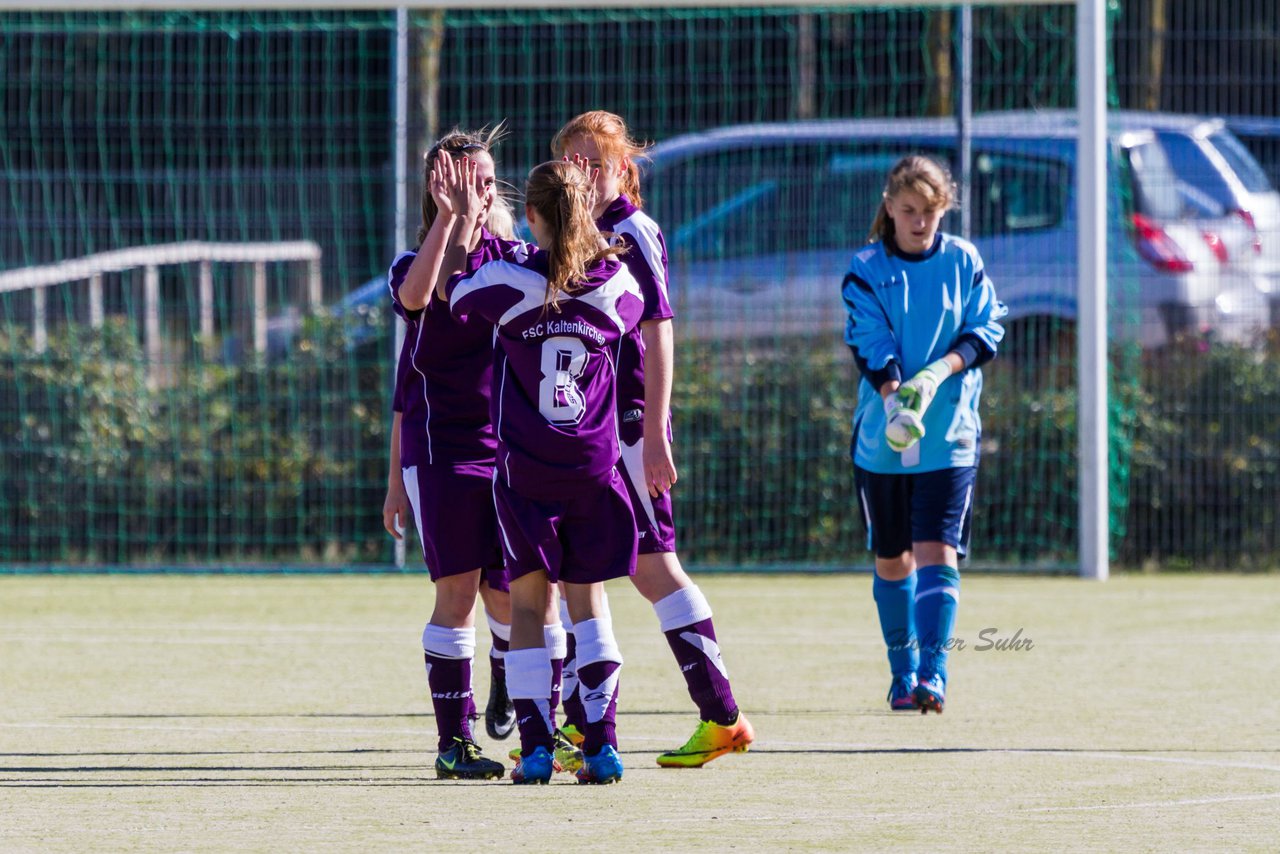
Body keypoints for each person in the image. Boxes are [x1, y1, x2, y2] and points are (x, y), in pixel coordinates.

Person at [551, 111, 754, 767]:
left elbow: (659, 330)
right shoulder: (576, 232)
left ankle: (722, 715)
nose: (583, 173)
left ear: (623, 169)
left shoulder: (632, 231)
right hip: (590, 431)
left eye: (596, 162)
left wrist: (657, 431)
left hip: (631, 429)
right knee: (579, 571)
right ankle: (589, 722)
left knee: (653, 567)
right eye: (572, 161)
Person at [437, 156, 645, 785]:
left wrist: (465, 221)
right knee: (590, 606)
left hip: (527, 473)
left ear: (530, 216)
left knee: (528, 607)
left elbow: (451, 293)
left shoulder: (508, 278)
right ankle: (602, 746)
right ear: (584, 210)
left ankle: (534, 750)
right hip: (594, 469)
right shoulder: (615, 284)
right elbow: (636, 310)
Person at [382, 127, 526, 780]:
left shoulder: (518, 258)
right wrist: (452, 219)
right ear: (439, 187)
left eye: (488, 180)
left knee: (516, 596)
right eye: (468, 180)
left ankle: (528, 712)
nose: (482, 191)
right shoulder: (416, 263)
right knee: (458, 595)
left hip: (515, 455)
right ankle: (453, 742)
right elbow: (425, 297)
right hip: (443, 454)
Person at [842, 154, 1006, 714]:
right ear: (889, 207)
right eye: (908, 210)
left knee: (939, 552)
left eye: (930, 213)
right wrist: (896, 398)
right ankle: (902, 673)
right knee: (893, 560)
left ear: (943, 211)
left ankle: (934, 675)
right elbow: (868, 339)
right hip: (882, 441)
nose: (919, 222)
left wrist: (938, 373)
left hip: (950, 437)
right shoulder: (865, 267)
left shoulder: (964, 260)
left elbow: (987, 327)